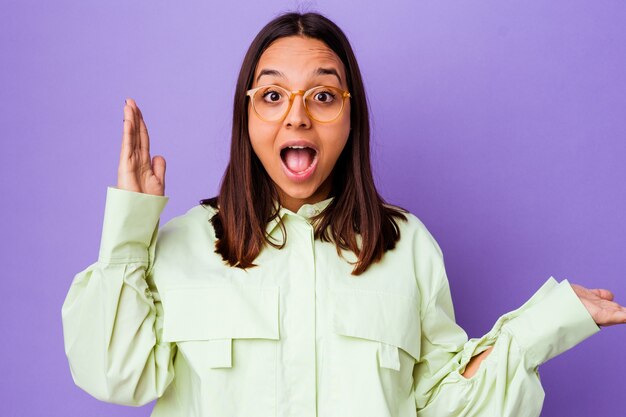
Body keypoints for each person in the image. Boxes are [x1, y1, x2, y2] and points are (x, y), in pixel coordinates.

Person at [61, 11, 626, 417]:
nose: (298, 117)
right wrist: (130, 233)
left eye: (324, 96)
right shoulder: (184, 242)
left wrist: (540, 329)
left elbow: (444, 406)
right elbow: (114, 375)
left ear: (351, 118)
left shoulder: (405, 245)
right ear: (248, 115)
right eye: (274, 95)